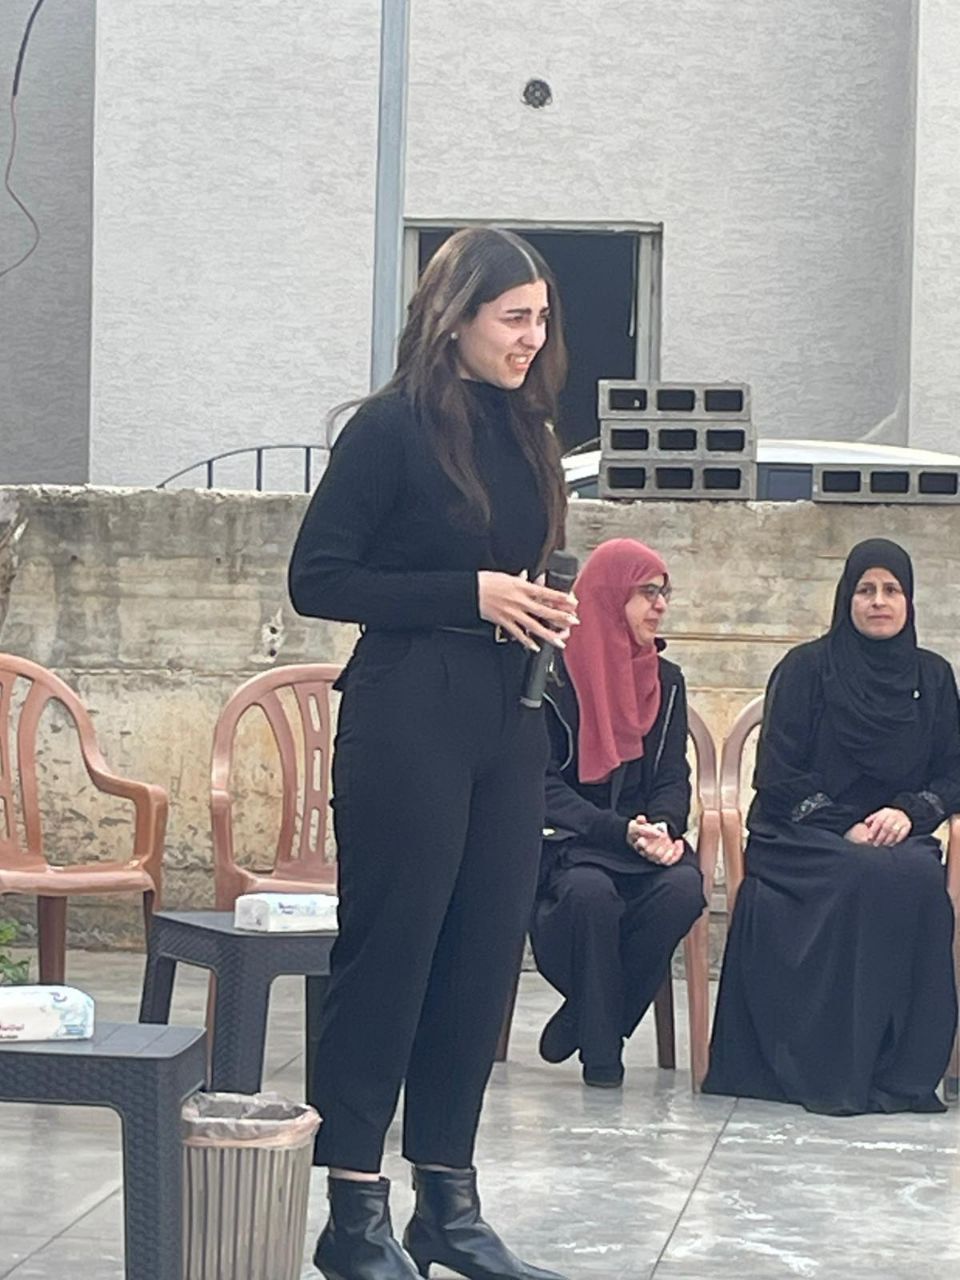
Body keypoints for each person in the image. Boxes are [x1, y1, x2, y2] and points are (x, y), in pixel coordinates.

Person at [289, 227, 577, 1280]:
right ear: (456, 317)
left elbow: (513, 564)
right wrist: (469, 592)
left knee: (483, 959)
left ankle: (446, 1203)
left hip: (509, 714)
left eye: (540, 318)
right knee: (393, 951)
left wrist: (532, 605)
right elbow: (318, 579)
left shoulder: (529, 428)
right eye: (514, 317)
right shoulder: (389, 429)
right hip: (409, 704)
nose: (532, 337)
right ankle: (352, 1209)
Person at [704, 538, 960, 1115]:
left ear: (909, 601)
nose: (878, 601)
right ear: (847, 598)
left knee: (918, 878)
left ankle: (898, 1072)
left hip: (897, 832)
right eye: (865, 590)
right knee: (860, 871)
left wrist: (909, 812)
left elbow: (952, 772)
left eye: (891, 590)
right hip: (801, 833)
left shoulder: (934, 678)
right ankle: (823, 1067)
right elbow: (778, 773)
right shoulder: (805, 669)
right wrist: (843, 825)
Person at [531, 538, 706, 1088]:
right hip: (573, 842)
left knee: (684, 890)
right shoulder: (553, 677)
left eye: (664, 593)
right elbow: (541, 786)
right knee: (590, 896)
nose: (660, 605)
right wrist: (615, 830)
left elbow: (673, 776)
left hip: (641, 842)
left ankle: (586, 1018)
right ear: (609, 595)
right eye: (647, 592)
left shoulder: (666, 681)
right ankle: (602, 1056)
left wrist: (664, 827)